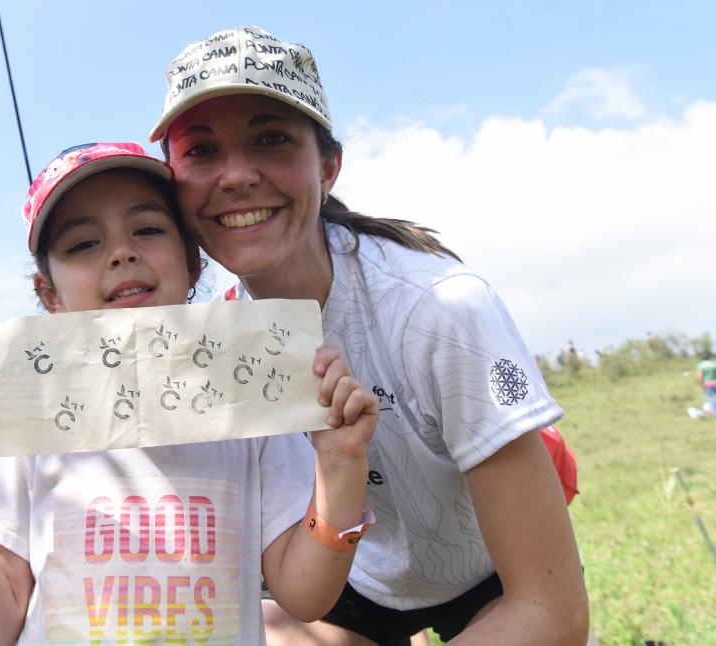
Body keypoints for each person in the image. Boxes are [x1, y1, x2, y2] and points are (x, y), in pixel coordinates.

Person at [150, 27, 589, 645]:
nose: (237, 176)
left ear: (328, 166)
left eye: (271, 138)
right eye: (201, 151)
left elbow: (550, 611)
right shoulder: (217, 346)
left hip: (492, 572)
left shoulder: (440, 308)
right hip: (357, 583)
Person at [0, 142, 379, 644]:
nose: (121, 253)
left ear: (193, 264)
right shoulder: (24, 415)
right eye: (82, 243)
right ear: (49, 295)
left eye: (148, 229)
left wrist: (341, 466)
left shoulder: (252, 399)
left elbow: (305, 596)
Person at [696, 350, 716, 416]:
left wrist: (701, 385)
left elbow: (700, 376)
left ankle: (714, 413)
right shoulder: (714, 364)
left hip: (708, 384)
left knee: (710, 398)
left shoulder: (701, 365)